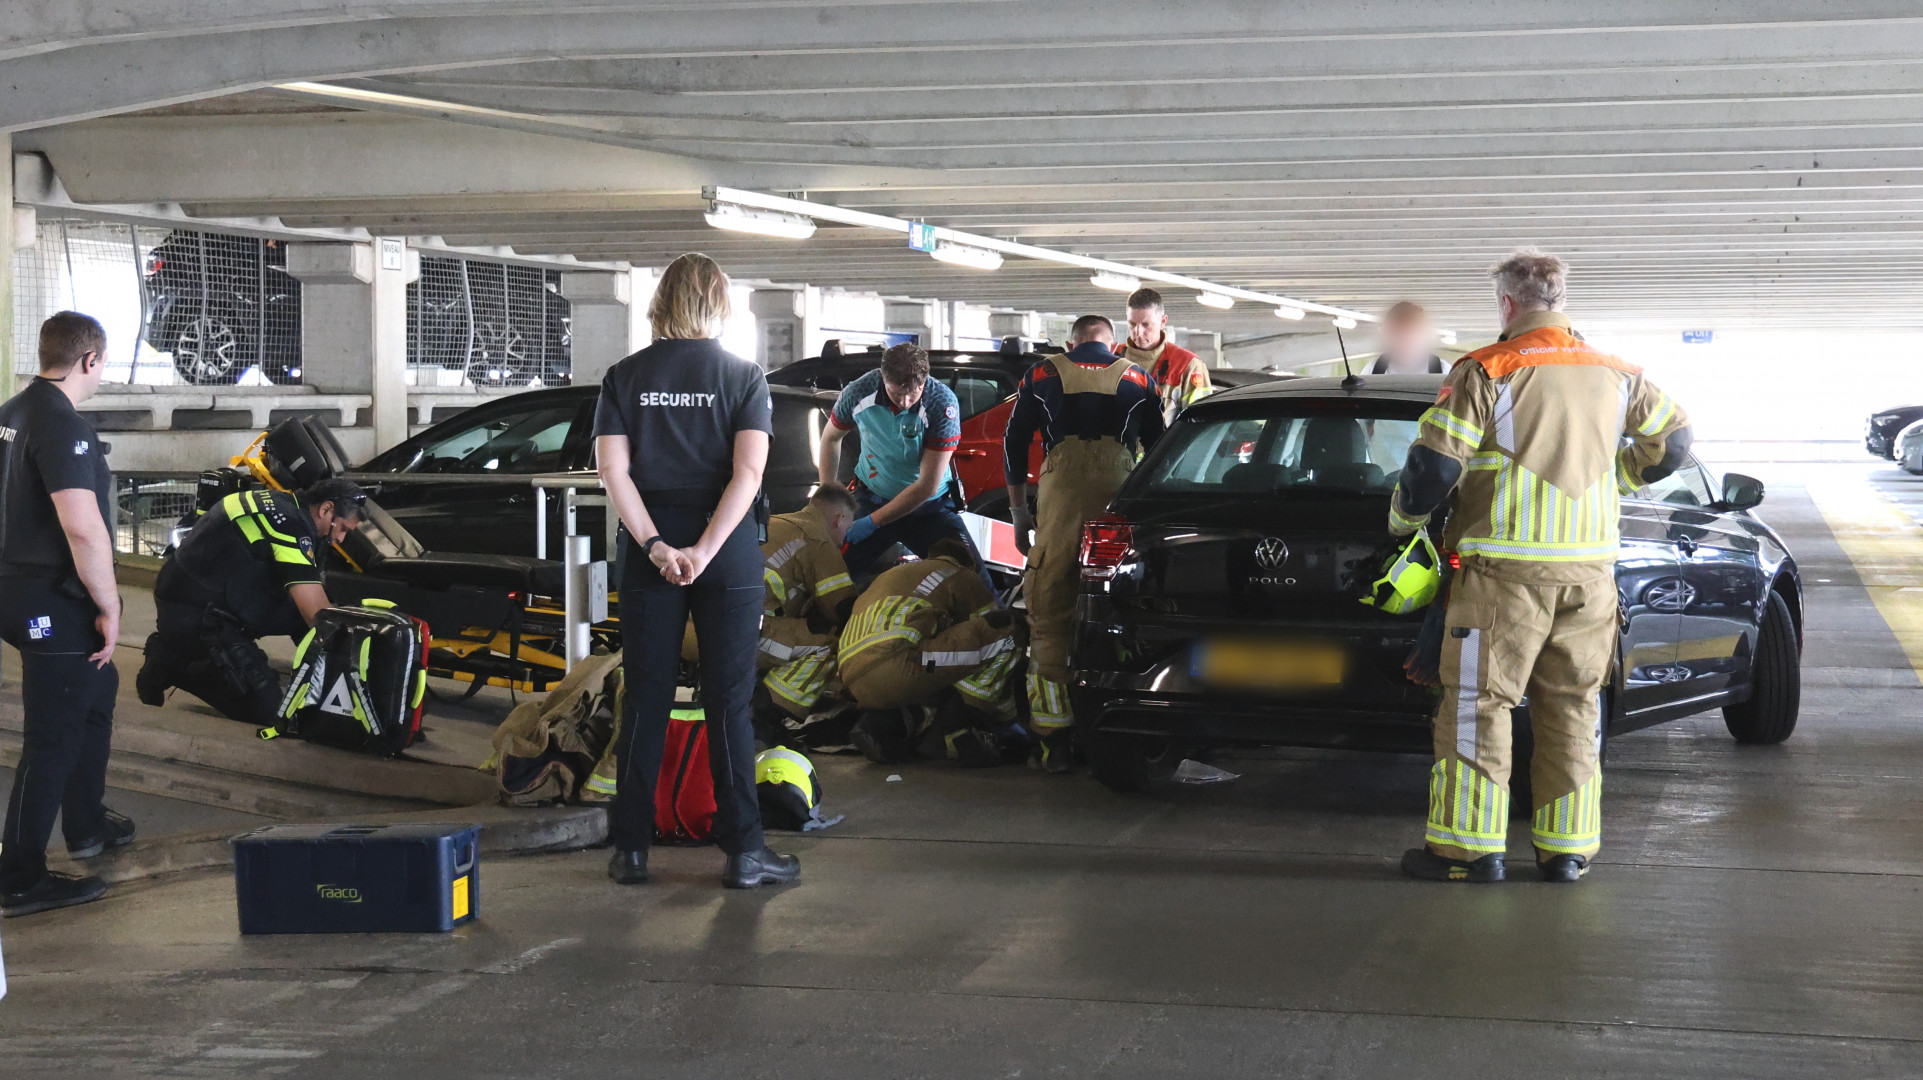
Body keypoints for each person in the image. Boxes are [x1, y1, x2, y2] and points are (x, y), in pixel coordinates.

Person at [1386, 249, 1693, 885]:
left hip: (1503, 579)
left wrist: (1402, 525)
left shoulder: (1487, 369)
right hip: (1590, 579)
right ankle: (1566, 854)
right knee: (1575, 707)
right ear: (1559, 297)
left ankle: (1468, 851)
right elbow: (1677, 442)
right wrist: (1623, 477)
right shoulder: (1618, 372)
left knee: (1478, 708)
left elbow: (1433, 470)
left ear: (1506, 303)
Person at [593, 252, 798, 890]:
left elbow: (613, 474)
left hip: (649, 550)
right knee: (730, 701)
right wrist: (707, 551)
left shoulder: (623, 376)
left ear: (661, 300)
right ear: (720, 303)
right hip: (727, 552)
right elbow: (749, 474)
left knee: (645, 699)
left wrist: (657, 546)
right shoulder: (743, 376)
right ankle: (744, 853)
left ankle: (630, 849)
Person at [0, 313, 130, 917]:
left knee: (98, 686)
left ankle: (86, 823)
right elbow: (82, 527)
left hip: (14, 588)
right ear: (90, 360)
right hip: (46, 596)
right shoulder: (63, 425)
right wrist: (109, 603)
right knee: (50, 738)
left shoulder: (10, 413)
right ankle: (20, 877)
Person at [1005, 314, 1165, 772]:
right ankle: (1116, 729)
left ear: (1071, 342)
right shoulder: (1139, 377)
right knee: (1115, 607)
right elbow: (1158, 451)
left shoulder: (1042, 373)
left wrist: (1019, 513)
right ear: (1113, 345)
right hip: (1120, 496)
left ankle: (1053, 741)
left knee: (1050, 613)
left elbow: (1014, 443)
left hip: (1059, 497)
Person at [137, 478, 366, 725]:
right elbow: (316, 614)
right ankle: (171, 662)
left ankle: (325, 683)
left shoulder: (286, 504)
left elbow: (314, 603)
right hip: (194, 613)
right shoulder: (288, 524)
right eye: (342, 528)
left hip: (216, 595)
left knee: (304, 620)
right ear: (326, 510)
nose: (341, 539)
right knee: (271, 712)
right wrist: (357, 662)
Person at [839, 540, 1020, 766]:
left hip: (852, 675)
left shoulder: (894, 574)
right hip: (905, 664)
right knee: (1006, 632)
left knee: (931, 669)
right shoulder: (960, 574)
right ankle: (955, 728)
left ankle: (878, 725)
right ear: (969, 563)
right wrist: (1008, 718)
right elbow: (987, 628)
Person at [816, 343, 986, 583]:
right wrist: (830, 496)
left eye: (913, 394)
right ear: (884, 379)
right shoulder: (859, 392)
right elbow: (831, 437)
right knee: (830, 574)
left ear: (925, 382)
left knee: (973, 579)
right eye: (897, 394)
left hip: (929, 507)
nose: (905, 402)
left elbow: (926, 485)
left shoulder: (941, 403)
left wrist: (872, 523)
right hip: (873, 498)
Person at [755, 484, 860, 731]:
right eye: (849, 526)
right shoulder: (816, 538)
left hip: (698, 628)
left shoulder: (777, 522)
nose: (846, 535)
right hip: (747, 632)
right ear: (839, 519)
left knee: (792, 628)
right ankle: (766, 716)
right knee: (833, 642)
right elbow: (842, 607)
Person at [1120, 287, 1212, 424]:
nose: (1137, 332)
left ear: (1163, 321)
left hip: (1164, 445)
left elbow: (1201, 422)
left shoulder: (1187, 365)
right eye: (1132, 324)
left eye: (1146, 325)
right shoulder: (1112, 358)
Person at [1368, 301, 1446, 375]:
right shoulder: (1373, 369)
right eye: (1398, 338)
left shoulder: (1442, 370)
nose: (1405, 345)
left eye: (1412, 338)